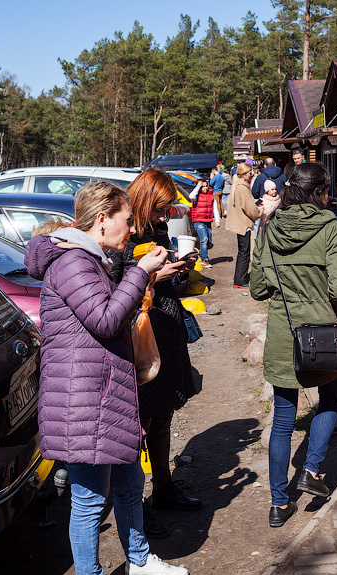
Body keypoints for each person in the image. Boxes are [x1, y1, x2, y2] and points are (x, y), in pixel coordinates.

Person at [24, 181, 188, 575]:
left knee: (132, 479)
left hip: (105, 392)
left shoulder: (90, 258)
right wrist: (140, 272)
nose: (132, 230)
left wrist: (139, 278)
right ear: (102, 219)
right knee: (89, 500)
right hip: (84, 399)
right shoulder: (73, 262)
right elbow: (104, 320)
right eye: (127, 221)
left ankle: (138, 560)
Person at [250, 162, 337, 527]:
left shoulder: (270, 226)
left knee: (282, 419)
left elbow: (258, 288)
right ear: (321, 191)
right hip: (323, 333)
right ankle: (310, 469)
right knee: (329, 398)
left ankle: (279, 503)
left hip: (283, 332)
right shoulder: (329, 227)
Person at [107, 168, 204, 535]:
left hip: (164, 326)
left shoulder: (159, 230)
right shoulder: (123, 236)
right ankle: (134, 504)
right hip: (136, 335)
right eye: (161, 210)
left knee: (163, 413)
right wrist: (151, 277)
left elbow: (164, 281)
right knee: (137, 423)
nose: (165, 217)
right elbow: (113, 287)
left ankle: (163, 488)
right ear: (145, 202)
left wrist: (180, 271)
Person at [228, 162, 262, 289]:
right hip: (244, 224)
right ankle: (240, 281)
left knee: (242, 252)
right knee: (244, 253)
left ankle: (239, 279)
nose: (251, 174)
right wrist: (260, 211)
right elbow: (251, 209)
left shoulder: (237, 186)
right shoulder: (243, 187)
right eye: (249, 172)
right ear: (243, 174)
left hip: (239, 223)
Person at [188, 179, 215, 268]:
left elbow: (214, 207)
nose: (205, 188)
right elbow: (191, 196)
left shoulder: (210, 195)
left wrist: (217, 219)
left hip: (208, 220)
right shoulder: (196, 195)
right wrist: (198, 187)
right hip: (198, 220)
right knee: (204, 240)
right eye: (203, 186)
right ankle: (204, 259)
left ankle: (200, 254)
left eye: (206, 186)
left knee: (209, 242)